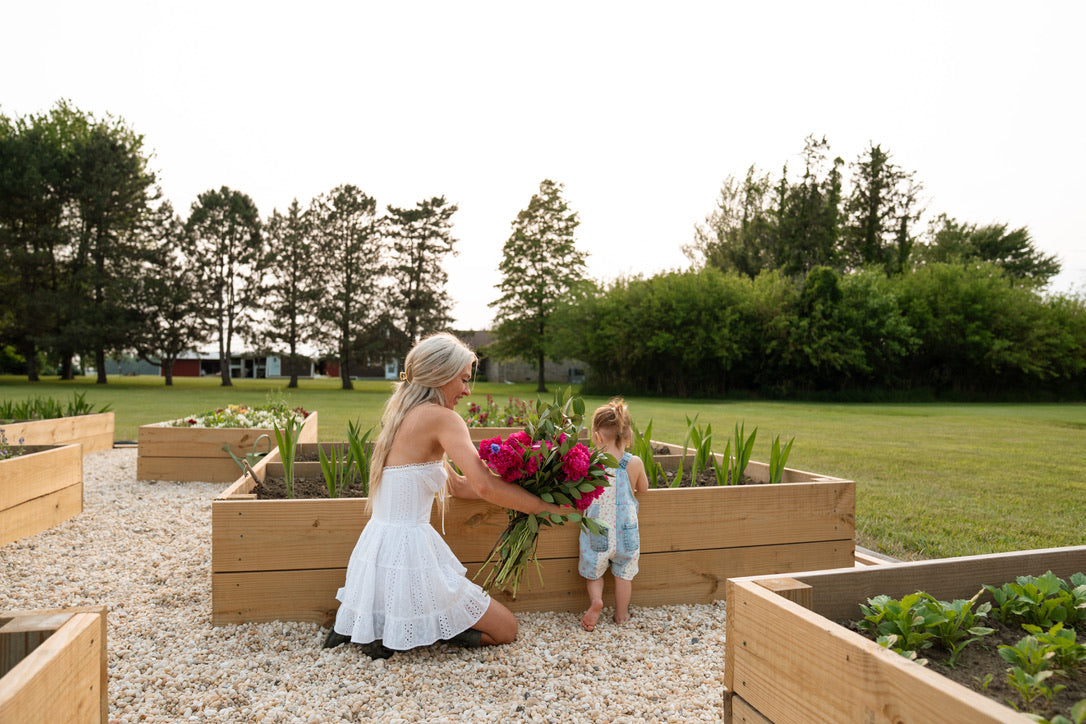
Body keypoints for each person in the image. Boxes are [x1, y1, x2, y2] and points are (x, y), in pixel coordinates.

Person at [322, 332, 566, 657]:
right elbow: (482, 485)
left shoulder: (402, 417)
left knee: (491, 622)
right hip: (411, 558)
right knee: (507, 629)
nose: (467, 390)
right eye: (464, 380)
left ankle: (382, 630)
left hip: (380, 552)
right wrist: (541, 507)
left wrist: (522, 486)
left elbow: (461, 487)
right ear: (441, 374)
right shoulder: (442, 418)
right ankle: (435, 633)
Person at [578, 397, 649, 631]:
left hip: (598, 530)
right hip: (626, 533)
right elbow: (643, 489)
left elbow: (580, 496)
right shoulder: (634, 463)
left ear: (597, 436)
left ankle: (596, 601)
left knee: (594, 573)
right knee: (623, 575)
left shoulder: (592, 462)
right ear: (627, 436)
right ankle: (621, 615)